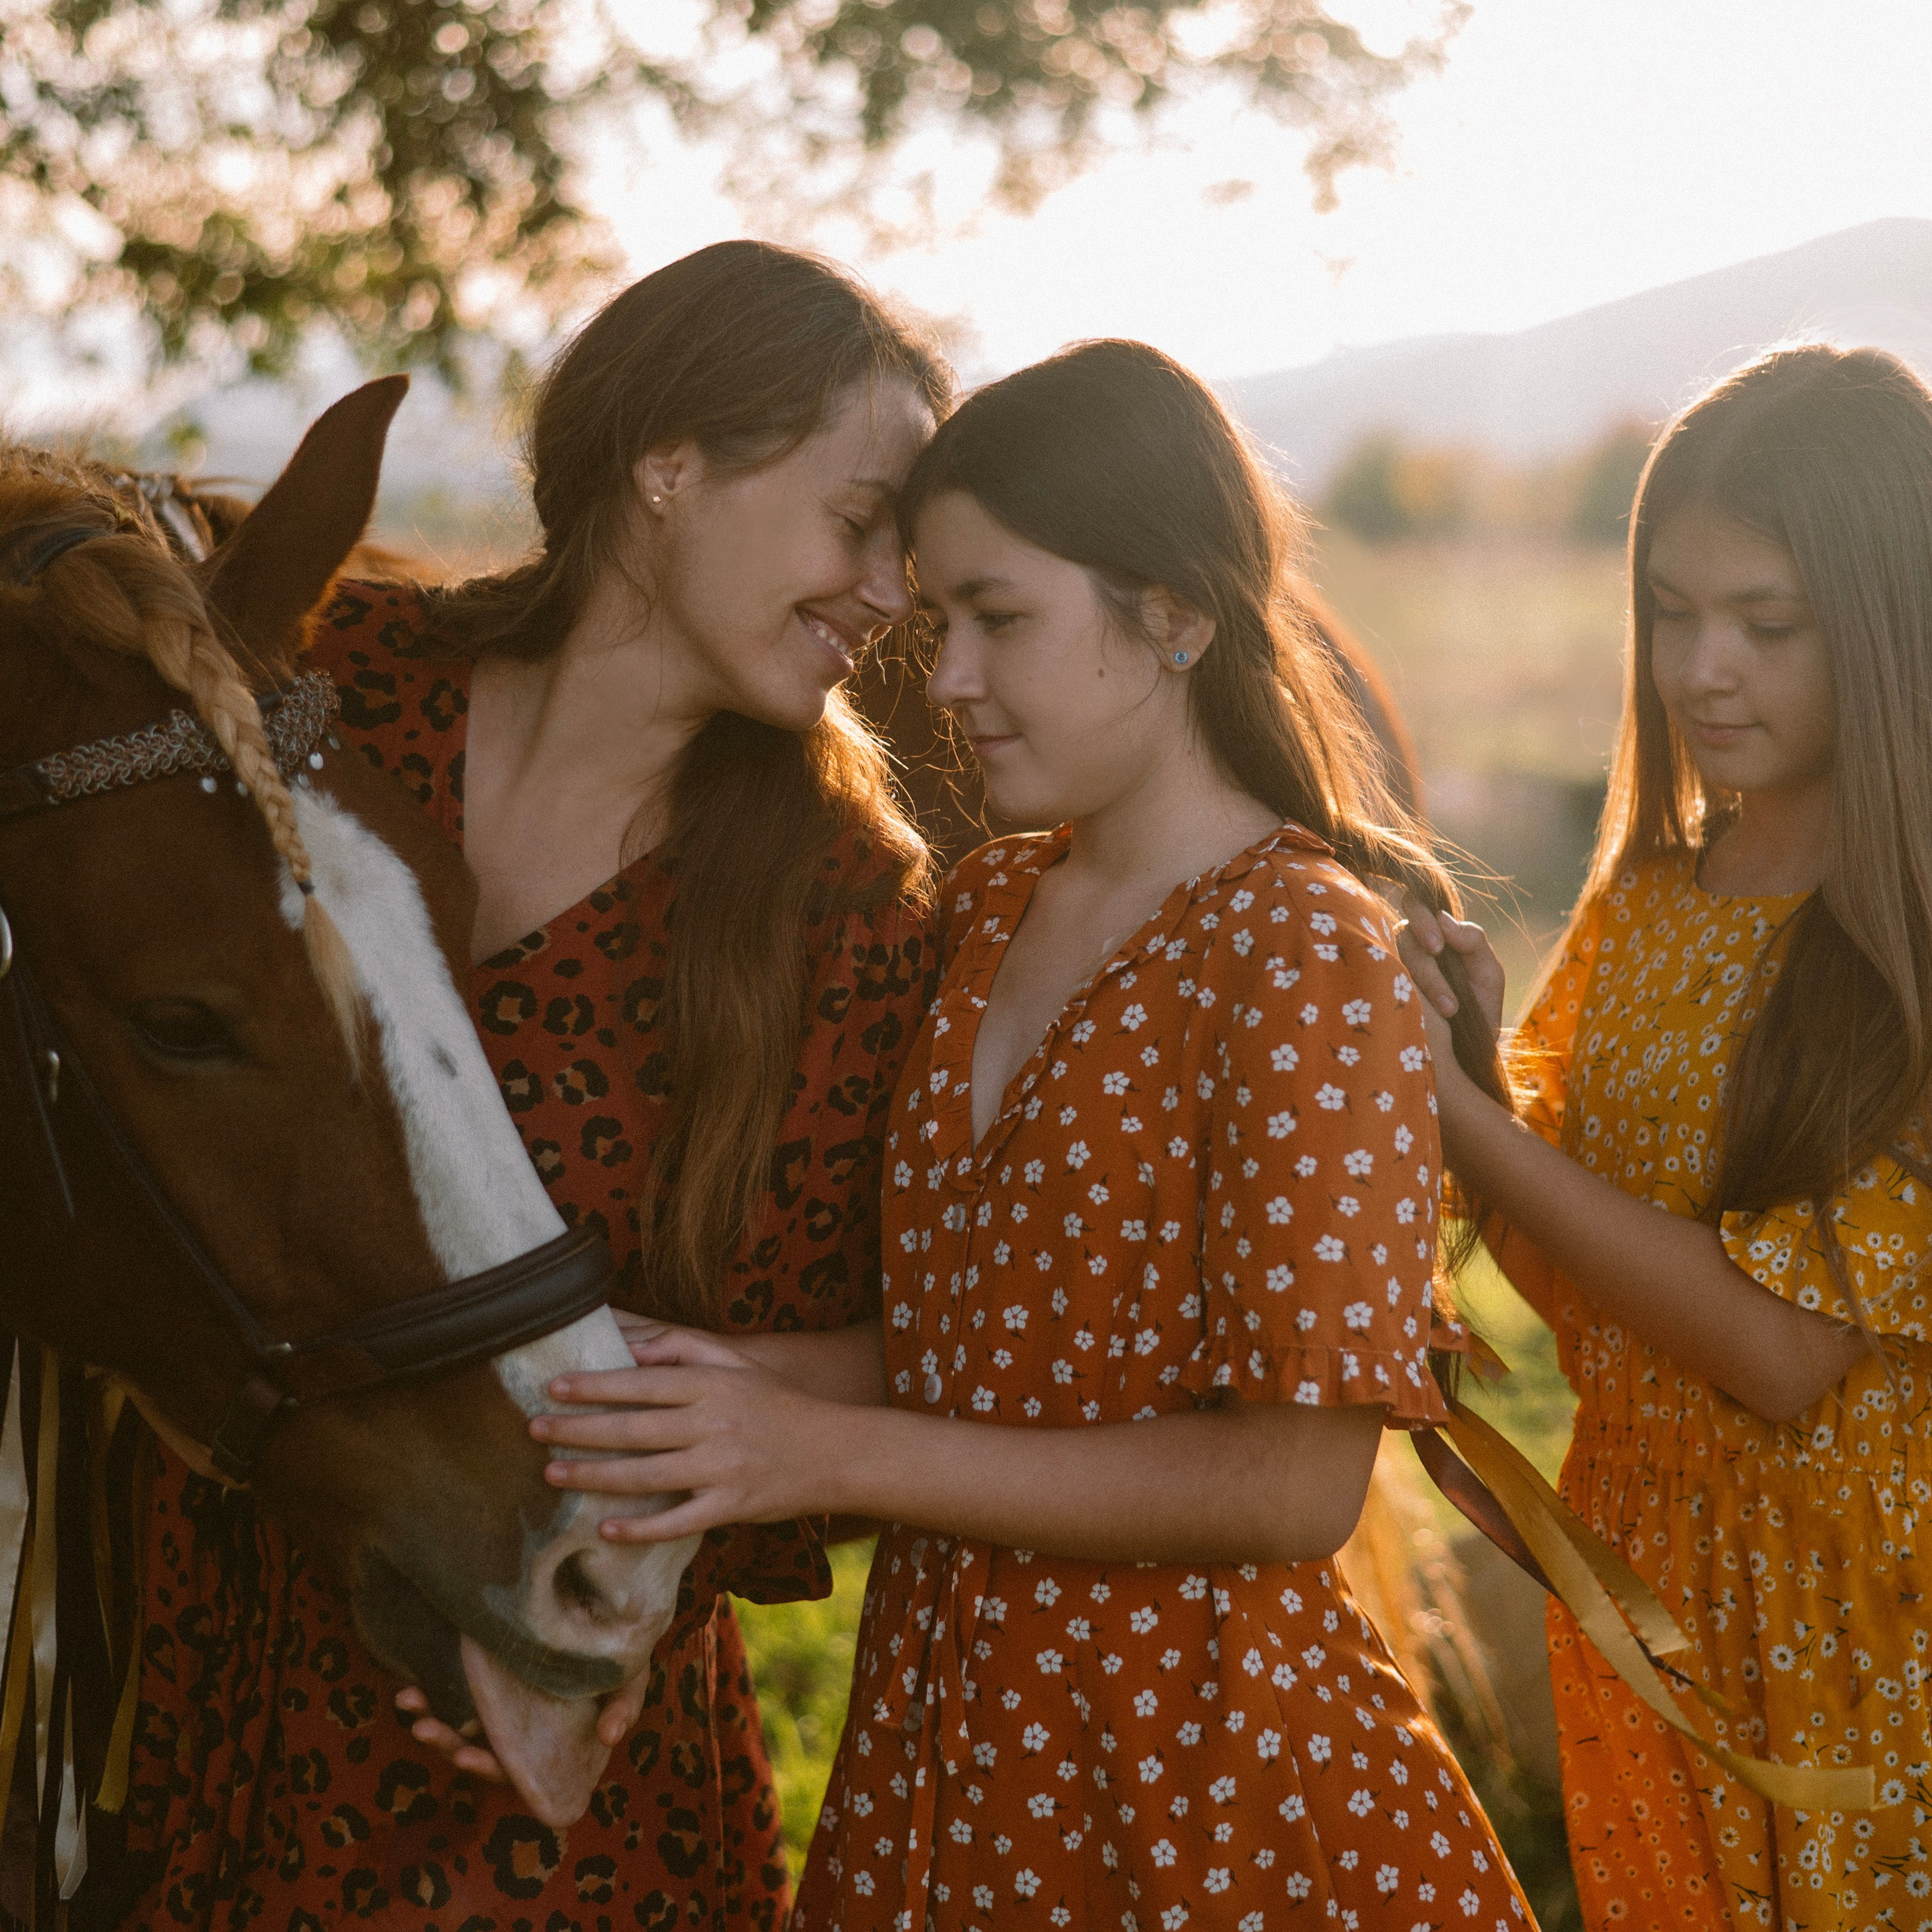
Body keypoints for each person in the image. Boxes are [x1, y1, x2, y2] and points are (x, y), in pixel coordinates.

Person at [535, 339, 1536, 1930]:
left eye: (999, 618)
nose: (942, 680)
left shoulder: (1303, 950)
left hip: (1207, 1779)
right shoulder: (989, 904)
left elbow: (1288, 1485)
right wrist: (661, 1377)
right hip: (947, 1741)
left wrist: (817, 1450)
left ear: (1176, 617)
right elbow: (978, 1353)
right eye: (934, 622)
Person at [113, 241, 949, 1932]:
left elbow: (888, 1346)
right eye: (858, 521)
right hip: (211, 1623)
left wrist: (602, 1595)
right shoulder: (324, 696)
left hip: (552, 1704)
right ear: (669, 464)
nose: (890, 593)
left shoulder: (836, 898)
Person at [1399, 343, 1932, 1930]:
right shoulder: (1642, 904)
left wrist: (1460, 1123)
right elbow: (1580, 1291)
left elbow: (1773, 1354)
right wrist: (1475, 1079)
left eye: (1765, 625)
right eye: (1669, 611)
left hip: (1861, 1624)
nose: (1702, 666)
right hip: (1649, 1590)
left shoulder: (1909, 938)